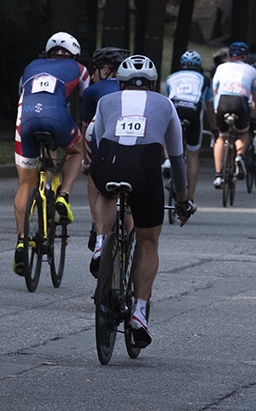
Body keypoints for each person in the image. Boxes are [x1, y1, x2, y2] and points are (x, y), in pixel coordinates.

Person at [89, 55, 196, 347]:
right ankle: (138, 313)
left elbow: (99, 141)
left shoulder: (106, 101)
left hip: (108, 160)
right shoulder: (166, 104)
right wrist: (183, 200)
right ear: (153, 84)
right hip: (145, 169)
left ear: (120, 84)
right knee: (148, 240)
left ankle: (101, 243)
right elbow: (176, 159)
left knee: (105, 189)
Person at [11, 32, 89, 275]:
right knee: (76, 151)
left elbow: (23, 97)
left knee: (25, 184)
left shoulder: (30, 66)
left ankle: (22, 241)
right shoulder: (79, 68)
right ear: (73, 53)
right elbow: (88, 102)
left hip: (26, 121)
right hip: (57, 117)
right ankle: (63, 195)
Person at [80, 47, 130, 250]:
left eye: (94, 70)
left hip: (99, 133)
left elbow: (85, 128)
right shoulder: (137, 88)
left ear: (105, 69)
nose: (91, 76)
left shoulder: (93, 90)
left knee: (95, 172)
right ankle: (131, 239)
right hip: (130, 134)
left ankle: (96, 225)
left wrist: (85, 162)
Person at [164, 50, 215, 202]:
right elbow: (210, 109)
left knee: (166, 134)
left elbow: (169, 98)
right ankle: (189, 199)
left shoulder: (170, 78)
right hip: (192, 111)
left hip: (175, 108)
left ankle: (167, 159)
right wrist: (214, 128)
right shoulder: (205, 80)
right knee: (193, 155)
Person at [210, 41, 256, 187]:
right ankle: (239, 156)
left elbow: (214, 91)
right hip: (240, 102)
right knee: (243, 133)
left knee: (222, 137)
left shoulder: (221, 67)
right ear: (245, 56)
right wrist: (253, 116)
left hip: (223, 101)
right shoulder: (251, 70)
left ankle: (218, 175)